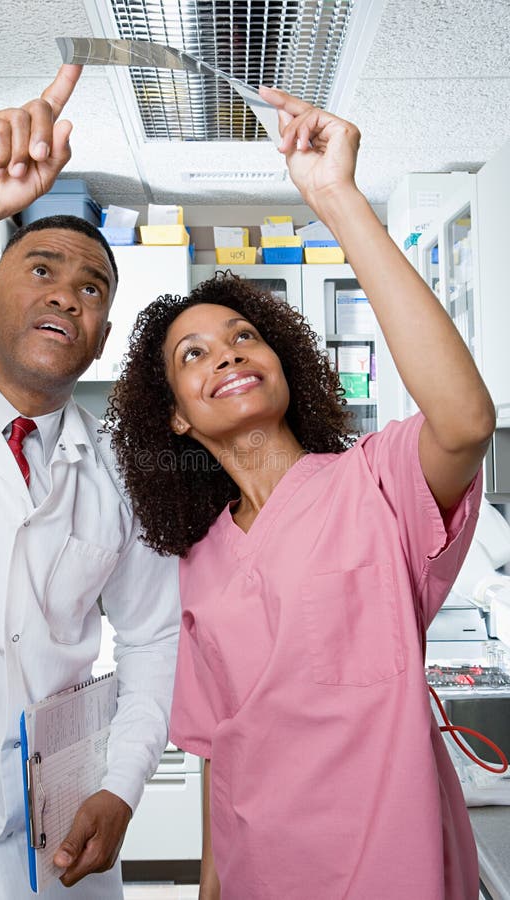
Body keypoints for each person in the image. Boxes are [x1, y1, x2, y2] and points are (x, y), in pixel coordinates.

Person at [109, 87, 496, 899]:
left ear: (283, 359)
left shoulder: (378, 481)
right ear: (175, 419)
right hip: (259, 871)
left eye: (244, 335)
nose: (225, 353)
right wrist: (209, 891)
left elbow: (463, 421)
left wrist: (335, 197)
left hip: (396, 868)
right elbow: (219, 755)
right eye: (193, 355)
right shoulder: (200, 563)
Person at [0, 65, 180, 899]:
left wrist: (124, 783)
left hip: (60, 843)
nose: (68, 292)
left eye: (93, 287)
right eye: (42, 269)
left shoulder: (122, 476)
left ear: (101, 337)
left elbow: (152, 637)